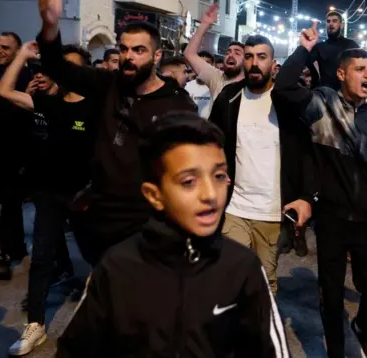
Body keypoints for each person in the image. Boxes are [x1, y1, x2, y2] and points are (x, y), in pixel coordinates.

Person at [55, 112, 288, 358]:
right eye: (189, 181)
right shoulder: (116, 269)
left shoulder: (243, 268)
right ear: (154, 195)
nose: (210, 194)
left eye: (219, 176)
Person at [35, 0, 197, 265]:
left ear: (157, 56)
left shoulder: (178, 105)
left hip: (146, 222)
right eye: (123, 49)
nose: (128, 57)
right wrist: (50, 25)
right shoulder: (106, 84)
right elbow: (57, 67)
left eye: (138, 50)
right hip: (99, 217)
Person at [273, 22, 367, 358]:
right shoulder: (321, 105)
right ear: (342, 74)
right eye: (360, 69)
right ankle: (336, 352)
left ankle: (362, 327)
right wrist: (303, 49)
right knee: (330, 295)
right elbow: (283, 87)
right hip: (332, 218)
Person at [0, 41, 97, 355]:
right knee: (41, 259)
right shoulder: (44, 103)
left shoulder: (97, 107)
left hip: (86, 197)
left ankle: (103, 321)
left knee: (99, 258)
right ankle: (36, 325)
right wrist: (23, 56)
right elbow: (3, 90)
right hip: (49, 194)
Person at [208, 35, 316, 294]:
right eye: (249, 57)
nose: (254, 63)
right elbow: (210, 141)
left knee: (263, 282)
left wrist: (306, 197)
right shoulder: (229, 97)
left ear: (273, 64)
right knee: (229, 276)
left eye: (261, 57)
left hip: (272, 213)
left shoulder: (287, 103)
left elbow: (307, 153)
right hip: (235, 208)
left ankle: (261, 332)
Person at [0, 31, 34, 277]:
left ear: (18, 52)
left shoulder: (29, 78)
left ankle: (6, 254)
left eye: (5, 48)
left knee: (10, 203)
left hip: (16, 153)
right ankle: (16, 246)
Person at [185, 5, 245, 103]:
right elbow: (189, 54)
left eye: (237, 53)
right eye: (228, 52)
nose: (231, 55)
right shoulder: (216, 78)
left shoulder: (252, 83)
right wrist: (204, 24)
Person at [306, 11, 359, 90]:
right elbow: (306, 62)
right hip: (324, 94)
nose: (330, 23)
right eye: (328, 21)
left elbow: (359, 67)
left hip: (346, 94)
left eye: (334, 21)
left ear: (341, 25)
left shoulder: (351, 45)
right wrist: (306, 46)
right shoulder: (319, 47)